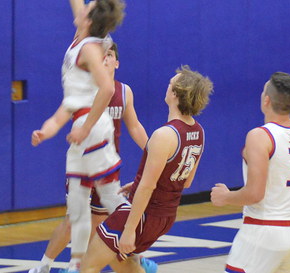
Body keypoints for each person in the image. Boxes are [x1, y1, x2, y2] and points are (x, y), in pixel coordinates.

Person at [49, 0, 127, 273]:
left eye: (88, 4)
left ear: (89, 19)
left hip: (92, 128)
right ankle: (131, 244)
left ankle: (137, 239)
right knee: (96, 204)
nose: (82, 3)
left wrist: (84, 126)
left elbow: (108, 89)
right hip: (88, 126)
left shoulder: (92, 49)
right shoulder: (84, 36)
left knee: (105, 203)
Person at [29, 43, 149, 273]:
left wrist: (152, 150)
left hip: (105, 166)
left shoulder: (124, 92)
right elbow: (59, 116)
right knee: (73, 221)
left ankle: (89, 266)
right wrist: (45, 132)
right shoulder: (83, 90)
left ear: (116, 63)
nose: (105, 58)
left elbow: (134, 127)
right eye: (102, 55)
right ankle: (43, 266)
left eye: (110, 55)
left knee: (101, 223)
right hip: (83, 165)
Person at [81, 66, 212, 273]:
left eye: (170, 84)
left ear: (176, 94)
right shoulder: (199, 131)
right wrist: (138, 184)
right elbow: (185, 180)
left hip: (143, 215)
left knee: (88, 266)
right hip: (166, 216)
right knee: (125, 266)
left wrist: (129, 230)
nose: (167, 86)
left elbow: (148, 186)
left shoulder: (164, 135)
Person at [209, 72, 290, 273]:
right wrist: (286, 200)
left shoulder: (259, 136)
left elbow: (254, 194)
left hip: (261, 233)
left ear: (266, 100)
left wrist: (225, 197)